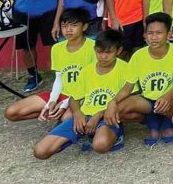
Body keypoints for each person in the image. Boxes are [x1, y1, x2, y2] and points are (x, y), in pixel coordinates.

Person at [32, 29, 133, 159]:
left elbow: (129, 99)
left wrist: (99, 115)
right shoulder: (87, 71)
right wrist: (77, 113)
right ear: (95, 50)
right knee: (40, 151)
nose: (103, 56)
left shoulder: (126, 69)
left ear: (118, 51)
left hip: (107, 116)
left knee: (100, 145)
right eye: (99, 51)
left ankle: (114, 135)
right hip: (85, 115)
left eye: (108, 52)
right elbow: (75, 98)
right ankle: (80, 135)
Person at [5, 8, 95, 122]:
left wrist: (65, 104)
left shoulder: (94, 48)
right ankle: (52, 113)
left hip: (83, 97)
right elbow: (59, 78)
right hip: (63, 93)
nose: (68, 30)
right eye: (64, 26)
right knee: (11, 112)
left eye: (74, 25)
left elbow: (93, 83)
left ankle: (62, 115)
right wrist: (52, 101)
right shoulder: (57, 48)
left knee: (66, 118)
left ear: (84, 27)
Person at [118, 12, 173, 146]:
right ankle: (152, 121)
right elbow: (128, 88)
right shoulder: (138, 55)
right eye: (150, 33)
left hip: (170, 98)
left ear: (168, 34)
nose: (154, 37)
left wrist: (168, 96)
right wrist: (112, 104)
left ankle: (168, 120)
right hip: (148, 101)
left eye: (158, 33)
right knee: (118, 109)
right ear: (145, 35)